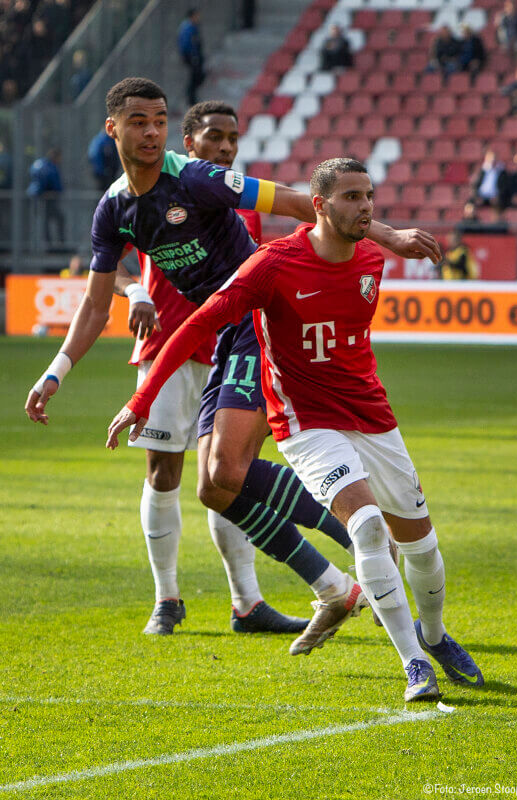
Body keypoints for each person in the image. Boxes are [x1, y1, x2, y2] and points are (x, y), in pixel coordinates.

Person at [26, 78, 441, 647]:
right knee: (214, 488)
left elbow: (299, 202)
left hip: (253, 323)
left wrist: (388, 236)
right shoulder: (113, 211)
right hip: (218, 333)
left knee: (225, 472)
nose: (151, 132)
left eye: (160, 120)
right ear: (112, 129)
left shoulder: (196, 177)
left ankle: (352, 529)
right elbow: (98, 303)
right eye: (139, 122)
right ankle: (335, 578)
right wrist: (55, 374)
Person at [107, 158, 484, 702]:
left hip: (372, 416)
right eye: (352, 197)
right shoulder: (272, 265)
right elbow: (199, 322)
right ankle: (414, 663)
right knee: (369, 528)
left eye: (369, 196)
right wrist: (142, 399)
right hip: (305, 422)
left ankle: (434, 633)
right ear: (320, 205)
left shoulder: (371, 263)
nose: (366, 208)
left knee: (422, 545)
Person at [113, 100, 312, 635]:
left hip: (235, 346)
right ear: (188, 143)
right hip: (166, 348)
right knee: (164, 473)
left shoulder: (236, 199)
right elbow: (106, 262)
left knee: (228, 475)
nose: (226, 149)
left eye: (233, 140)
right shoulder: (152, 190)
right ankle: (166, 599)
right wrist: (133, 288)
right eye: (215, 138)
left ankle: (247, 602)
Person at [26, 147, 65, 245]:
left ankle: (46, 243)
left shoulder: (38, 163)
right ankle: (56, 243)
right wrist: (56, 191)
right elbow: (55, 184)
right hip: (46, 198)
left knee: (44, 220)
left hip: (34, 196)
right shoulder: (50, 167)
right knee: (57, 218)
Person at [177, 8, 205, 106]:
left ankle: (192, 97)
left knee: (198, 76)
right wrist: (192, 55)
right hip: (190, 55)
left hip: (193, 55)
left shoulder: (192, 27)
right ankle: (191, 99)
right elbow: (187, 43)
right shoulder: (187, 28)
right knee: (195, 76)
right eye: (197, 16)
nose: (198, 18)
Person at [471, 148, 509, 217]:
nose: (492, 161)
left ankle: (496, 222)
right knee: (470, 202)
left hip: (496, 197)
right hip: (482, 197)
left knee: (500, 203)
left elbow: (505, 187)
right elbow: (475, 185)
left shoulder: (502, 172)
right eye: (490, 159)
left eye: (493, 158)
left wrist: (497, 196)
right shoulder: (482, 171)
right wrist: (477, 196)